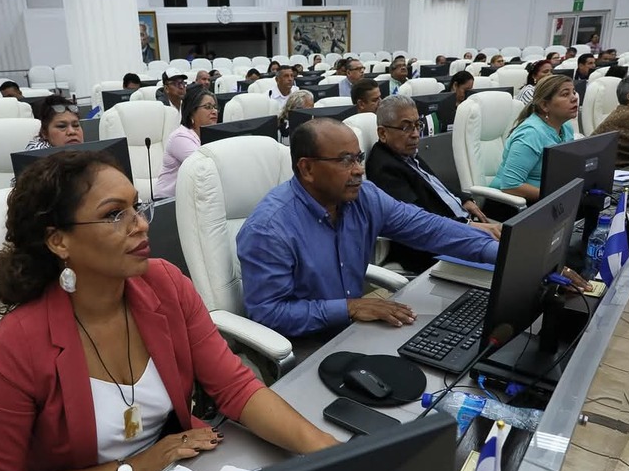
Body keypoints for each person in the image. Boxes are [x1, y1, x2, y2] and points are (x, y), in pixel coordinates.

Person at [0, 151, 337, 471]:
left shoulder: (164, 283)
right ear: (59, 241)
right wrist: (134, 469)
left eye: (137, 208)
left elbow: (236, 389)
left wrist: (329, 455)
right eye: (114, 214)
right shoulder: (14, 349)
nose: (140, 224)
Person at [236, 118, 499, 342]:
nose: (359, 170)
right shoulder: (269, 229)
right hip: (304, 344)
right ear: (307, 169)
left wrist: (500, 251)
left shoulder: (364, 197)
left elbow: (427, 228)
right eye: (345, 160)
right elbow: (269, 313)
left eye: (359, 158)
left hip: (355, 330)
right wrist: (349, 308)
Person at [366, 96, 499, 274]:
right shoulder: (385, 167)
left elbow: (435, 184)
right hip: (434, 245)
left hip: (458, 225)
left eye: (417, 125)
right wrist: (468, 226)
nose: (415, 133)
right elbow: (419, 221)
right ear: (383, 133)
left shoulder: (404, 153)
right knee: (507, 260)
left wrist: (464, 199)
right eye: (406, 127)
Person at [490, 75, 579, 203]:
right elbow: (510, 185)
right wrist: (557, 196)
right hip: (513, 204)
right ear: (544, 105)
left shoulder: (566, 127)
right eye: (565, 94)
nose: (574, 98)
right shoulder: (531, 134)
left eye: (574, 92)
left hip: (547, 199)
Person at [154, 87, 218, 198]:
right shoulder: (180, 137)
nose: (214, 111)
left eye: (215, 107)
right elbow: (203, 168)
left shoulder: (210, 135)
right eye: (208, 107)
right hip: (167, 202)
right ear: (192, 112)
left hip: (192, 198)